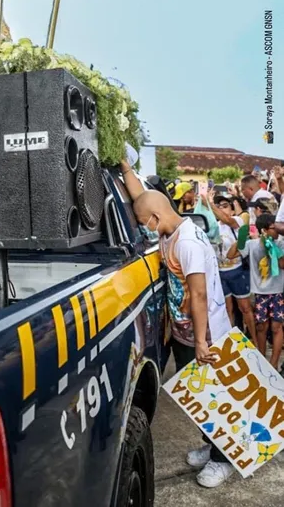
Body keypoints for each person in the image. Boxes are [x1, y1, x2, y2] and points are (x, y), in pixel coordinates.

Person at [120, 160, 233, 488]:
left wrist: (200, 342)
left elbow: (198, 295)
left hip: (203, 332)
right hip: (183, 329)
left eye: (145, 223)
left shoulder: (186, 243)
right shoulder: (171, 230)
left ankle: (222, 460)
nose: (144, 228)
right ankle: (211, 445)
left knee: (211, 395)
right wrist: (126, 168)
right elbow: (143, 197)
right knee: (196, 396)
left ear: (156, 218)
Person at [227, 214, 284, 370]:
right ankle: (262, 361)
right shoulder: (252, 245)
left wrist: (272, 249)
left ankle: (274, 364)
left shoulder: (281, 243)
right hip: (260, 293)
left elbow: (282, 265)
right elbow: (230, 255)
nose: (278, 231)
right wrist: (241, 238)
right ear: (264, 230)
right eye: (274, 228)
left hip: (278, 292)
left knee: (276, 328)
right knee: (261, 327)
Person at [206, 194, 256, 346]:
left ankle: (254, 340)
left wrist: (209, 203)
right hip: (221, 274)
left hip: (237, 271)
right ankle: (233, 342)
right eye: (219, 206)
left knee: (245, 308)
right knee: (228, 310)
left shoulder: (238, 222)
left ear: (233, 211)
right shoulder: (213, 227)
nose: (221, 209)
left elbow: (227, 219)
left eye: (225, 206)